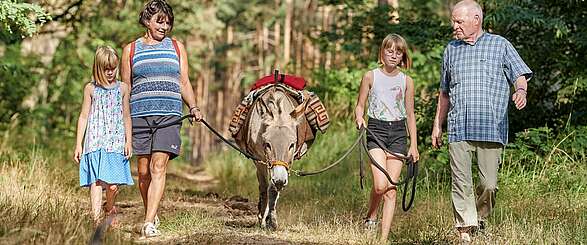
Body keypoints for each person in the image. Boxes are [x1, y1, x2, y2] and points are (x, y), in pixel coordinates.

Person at [431, 0, 532, 242]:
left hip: (491, 127)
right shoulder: (451, 49)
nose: (454, 25)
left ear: (476, 20)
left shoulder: (500, 45)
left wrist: (520, 91)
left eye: (459, 21)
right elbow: (444, 92)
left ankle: (479, 217)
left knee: (489, 185)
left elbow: (520, 75)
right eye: (453, 21)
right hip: (458, 127)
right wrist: (437, 125)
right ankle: (465, 231)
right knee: (460, 182)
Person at [120, 0, 202, 238]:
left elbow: (184, 82)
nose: (164, 26)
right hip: (138, 116)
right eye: (160, 21)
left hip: (169, 115)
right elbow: (126, 87)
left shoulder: (177, 47)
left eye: (168, 22)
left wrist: (194, 106)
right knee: (143, 172)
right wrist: (120, 118)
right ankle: (151, 212)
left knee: (158, 167)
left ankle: (147, 223)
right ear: (147, 21)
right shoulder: (131, 50)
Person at [354, 33, 419, 242]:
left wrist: (414, 146)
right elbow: (360, 105)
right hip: (376, 131)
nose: (393, 55)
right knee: (380, 185)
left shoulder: (407, 81)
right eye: (389, 50)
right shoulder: (370, 76)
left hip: (398, 133)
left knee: (391, 189)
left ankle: (382, 239)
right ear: (382, 52)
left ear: (402, 56)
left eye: (397, 52)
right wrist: (359, 118)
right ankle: (371, 215)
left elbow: (410, 114)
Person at [73, 46, 134, 226]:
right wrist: (79, 144)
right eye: (106, 69)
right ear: (97, 68)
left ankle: (110, 207)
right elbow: (83, 116)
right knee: (97, 182)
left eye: (113, 68)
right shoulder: (90, 89)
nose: (110, 72)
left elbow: (126, 116)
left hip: (115, 142)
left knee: (113, 185)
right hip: (95, 141)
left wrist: (128, 141)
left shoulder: (122, 88)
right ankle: (96, 218)